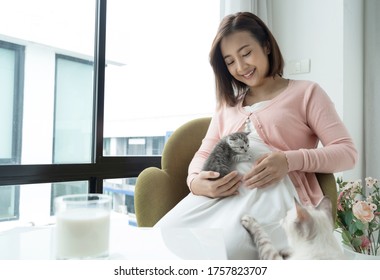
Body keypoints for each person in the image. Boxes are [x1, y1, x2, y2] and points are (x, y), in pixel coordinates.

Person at [154, 12, 358, 259]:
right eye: (229, 61)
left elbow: (347, 153)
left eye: (246, 53)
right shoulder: (227, 105)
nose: (240, 67)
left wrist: (288, 160)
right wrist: (195, 182)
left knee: (229, 247)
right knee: (163, 235)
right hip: (218, 196)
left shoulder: (307, 93)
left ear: (266, 46)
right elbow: (205, 152)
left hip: (273, 194)